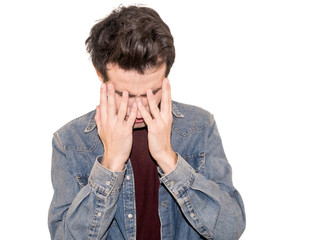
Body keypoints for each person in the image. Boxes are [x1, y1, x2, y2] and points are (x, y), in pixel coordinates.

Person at [48, 5, 246, 240]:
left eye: (152, 92)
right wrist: (111, 163)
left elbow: (230, 229)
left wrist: (168, 158)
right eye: (126, 94)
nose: (140, 107)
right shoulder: (70, 142)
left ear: (166, 76)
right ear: (100, 75)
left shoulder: (200, 127)